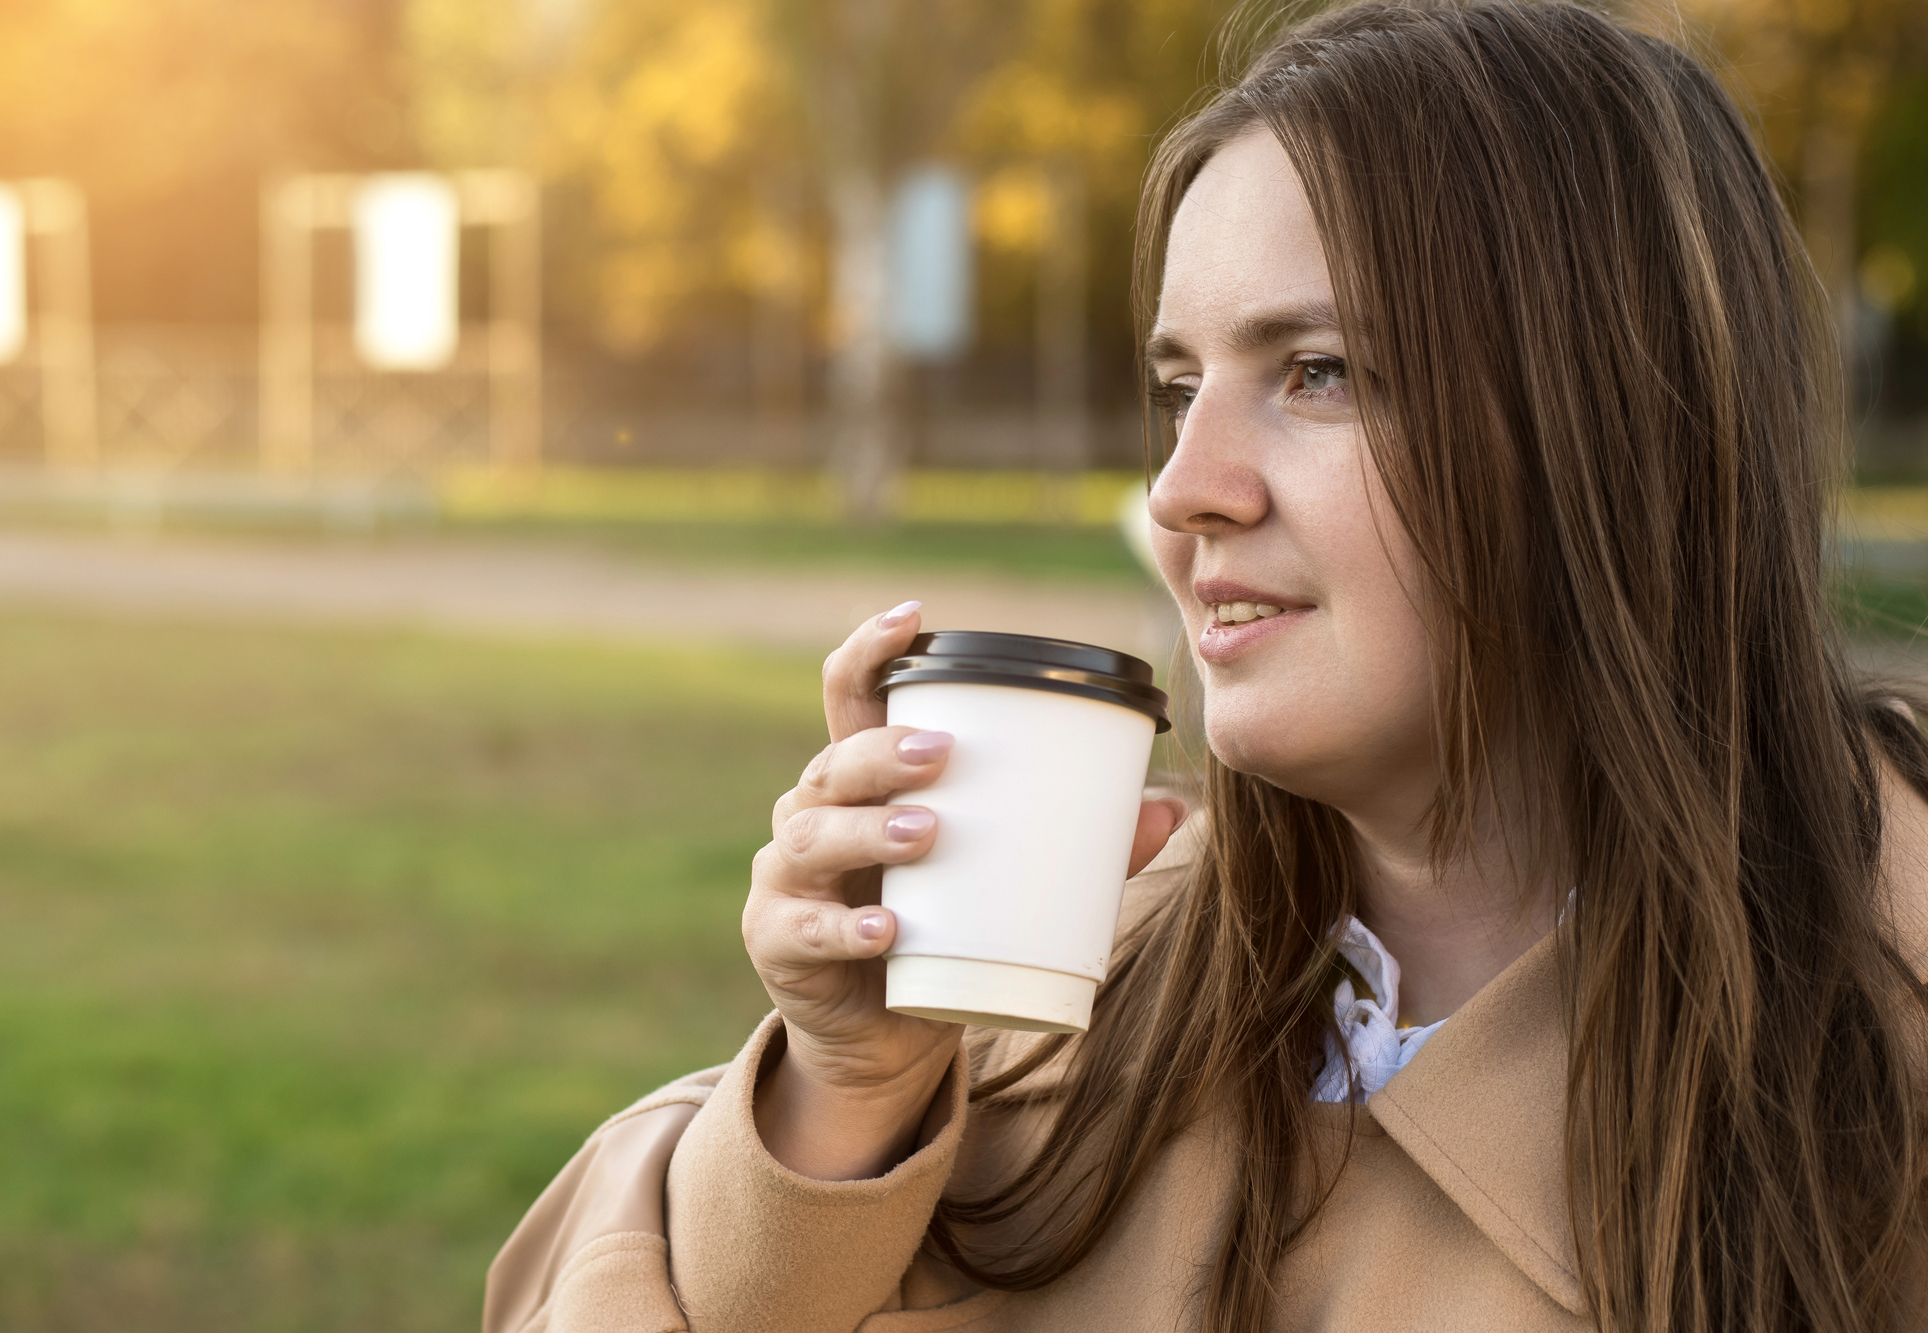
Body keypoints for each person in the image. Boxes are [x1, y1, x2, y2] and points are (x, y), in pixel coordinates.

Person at [482, 2, 1928, 1329]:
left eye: (1321, 371)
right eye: (1178, 389)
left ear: (1616, 430)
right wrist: (841, 1090)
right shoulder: (1070, 981)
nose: (1183, 487)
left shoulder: (1873, 1060)